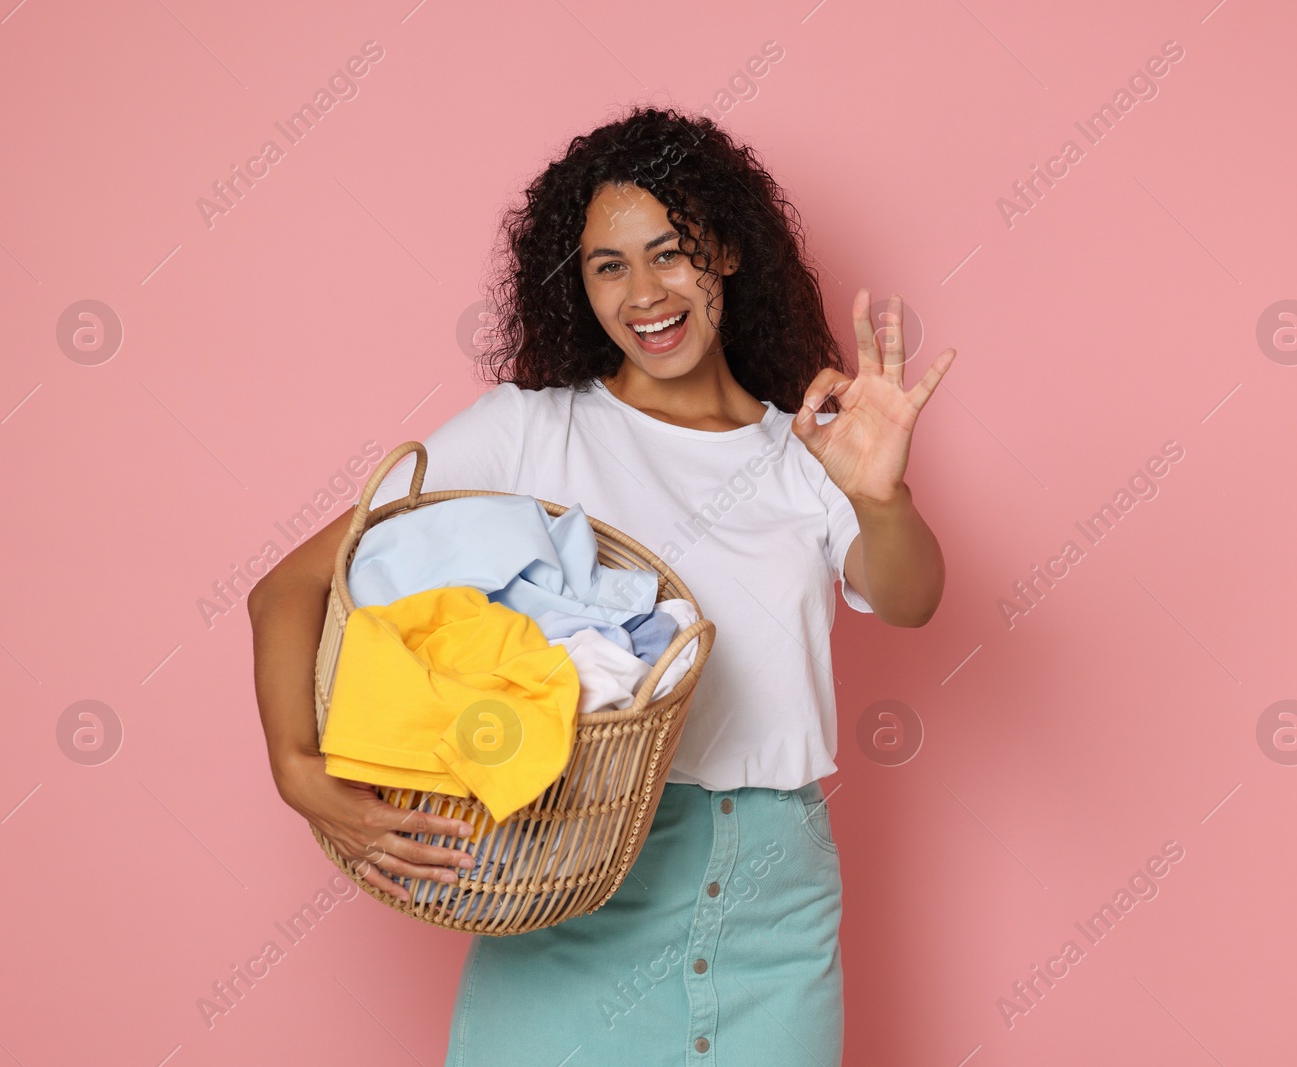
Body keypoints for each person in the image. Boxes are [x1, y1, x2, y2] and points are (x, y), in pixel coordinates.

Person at [247, 104, 952, 1066]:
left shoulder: (806, 449)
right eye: (607, 265)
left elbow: (909, 597)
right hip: (573, 877)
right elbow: (290, 589)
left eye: (671, 253)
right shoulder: (527, 431)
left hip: (773, 905)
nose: (644, 293)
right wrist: (299, 770)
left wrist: (880, 494)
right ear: (573, 283)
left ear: (728, 254)